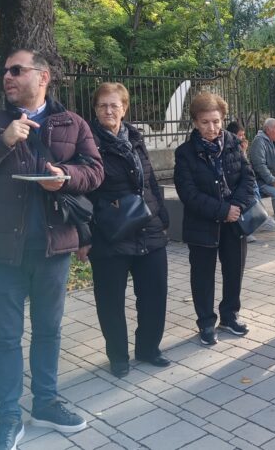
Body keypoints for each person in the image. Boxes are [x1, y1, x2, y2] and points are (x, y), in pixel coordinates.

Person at [0, 50, 104, 450]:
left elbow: (95, 171)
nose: (8, 76)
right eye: (5, 71)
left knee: (49, 331)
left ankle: (46, 403)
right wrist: (2, 141)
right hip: (1, 251)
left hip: (53, 248)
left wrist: (65, 175)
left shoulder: (73, 122)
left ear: (43, 76)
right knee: (6, 337)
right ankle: (8, 417)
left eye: (16, 70)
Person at [85, 83, 170, 378]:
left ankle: (148, 348)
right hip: (110, 232)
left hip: (148, 227)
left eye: (114, 105)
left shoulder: (135, 138)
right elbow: (83, 190)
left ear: (124, 108)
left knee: (154, 294)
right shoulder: (87, 142)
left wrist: (162, 214)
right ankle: (118, 355)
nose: (109, 110)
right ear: (95, 109)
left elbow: (150, 179)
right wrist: (87, 232)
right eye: (102, 105)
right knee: (110, 300)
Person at [174, 93, 256, 346]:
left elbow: (248, 178)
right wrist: (222, 210)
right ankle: (206, 322)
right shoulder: (185, 153)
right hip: (202, 224)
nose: (212, 128)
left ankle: (230, 316)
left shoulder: (232, 143)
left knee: (234, 271)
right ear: (195, 122)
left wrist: (236, 207)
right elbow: (188, 193)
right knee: (203, 276)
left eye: (216, 121)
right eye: (205, 122)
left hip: (234, 223)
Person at [248, 118, 275, 227]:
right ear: (267, 130)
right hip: (264, 181)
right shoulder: (259, 142)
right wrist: (273, 181)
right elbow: (259, 166)